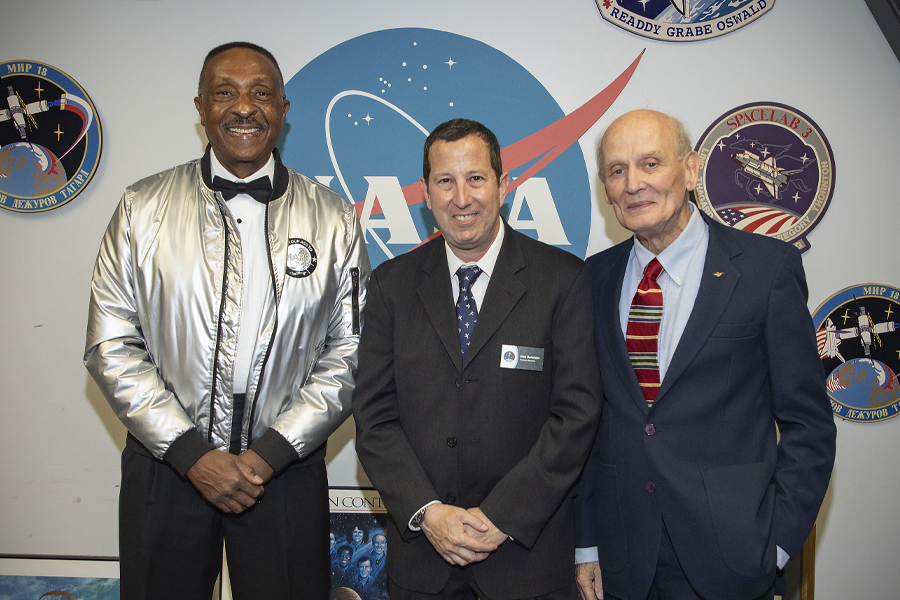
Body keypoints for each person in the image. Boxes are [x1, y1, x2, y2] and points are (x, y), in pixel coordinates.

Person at [84, 41, 369, 599]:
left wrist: (272, 452)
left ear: (284, 109)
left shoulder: (333, 217)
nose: (244, 107)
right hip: (166, 463)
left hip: (285, 470)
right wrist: (191, 453)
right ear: (200, 107)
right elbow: (110, 344)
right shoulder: (142, 206)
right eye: (225, 93)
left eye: (261, 93)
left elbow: (353, 349)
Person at [574, 109, 836, 600]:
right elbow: (588, 426)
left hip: (733, 560)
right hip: (622, 560)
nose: (633, 184)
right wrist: (586, 545)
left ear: (691, 170)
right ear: (605, 190)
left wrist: (775, 543)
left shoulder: (766, 270)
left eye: (650, 164)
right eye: (617, 170)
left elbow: (810, 425)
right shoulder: (591, 279)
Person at [352, 118, 602, 600]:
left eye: (476, 178)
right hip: (424, 564)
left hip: (526, 565)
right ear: (425, 192)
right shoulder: (391, 286)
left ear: (503, 185)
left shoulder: (562, 281)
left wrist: (501, 516)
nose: (461, 197)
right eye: (445, 181)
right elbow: (374, 419)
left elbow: (576, 415)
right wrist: (428, 512)